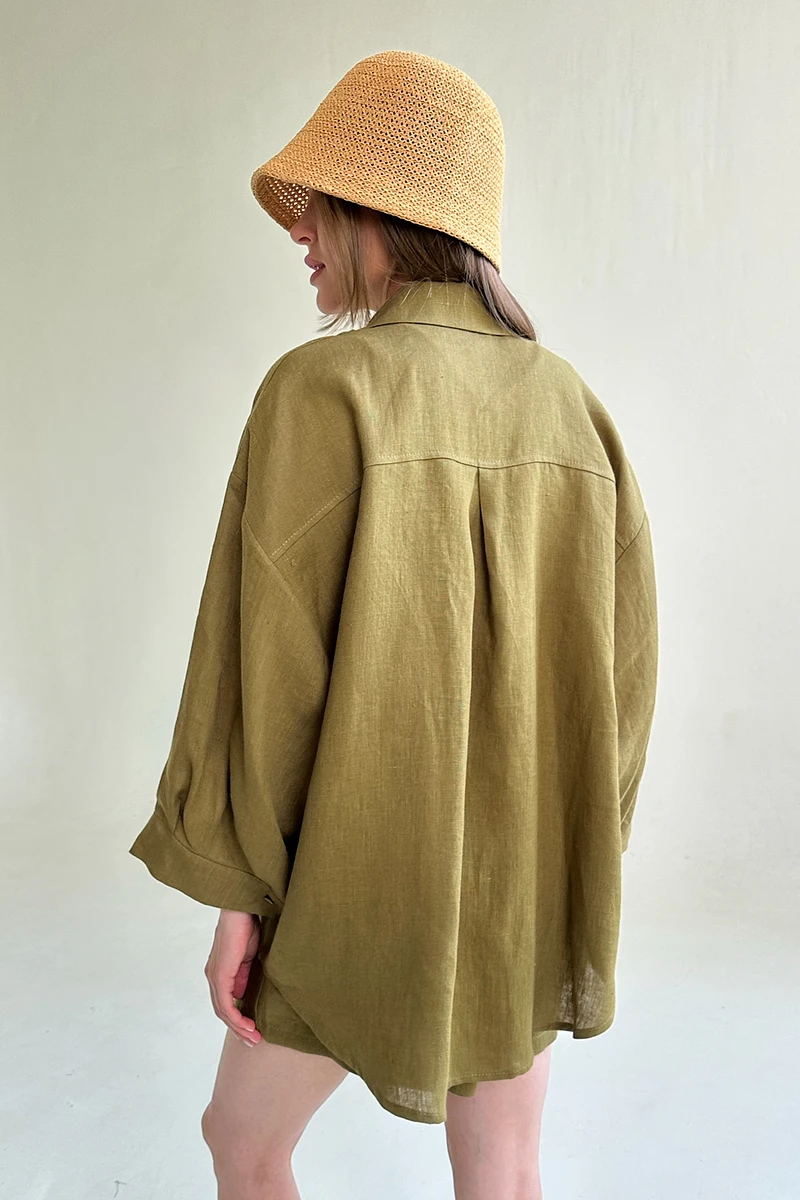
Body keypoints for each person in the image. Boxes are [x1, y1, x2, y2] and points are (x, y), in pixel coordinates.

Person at [129, 50, 659, 1199]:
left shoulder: (320, 391)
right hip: (520, 889)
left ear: (385, 208)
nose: (297, 228)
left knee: (242, 1144)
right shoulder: (571, 407)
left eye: (319, 200)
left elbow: (262, 685)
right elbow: (622, 685)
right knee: (503, 1168)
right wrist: (565, 860)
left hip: (355, 884)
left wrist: (242, 901)